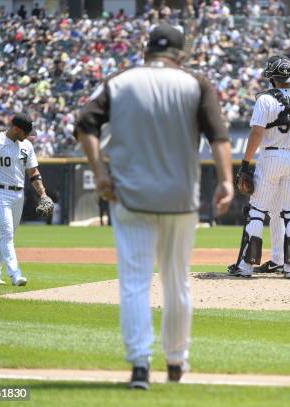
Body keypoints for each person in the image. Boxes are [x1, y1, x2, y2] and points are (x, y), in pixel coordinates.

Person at [75, 23, 233, 389]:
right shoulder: (196, 84)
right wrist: (225, 181)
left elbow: (85, 123)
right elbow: (219, 136)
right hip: (180, 199)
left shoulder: (120, 81)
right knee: (177, 283)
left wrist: (100, 172)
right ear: (180, 54)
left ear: (147, 51)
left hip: (129, 196)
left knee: (133, 282)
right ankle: (176, 361)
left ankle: (139, 366)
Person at [227, 55, 290, 280]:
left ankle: (246, 267)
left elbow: (257, 132)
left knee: (257, 210)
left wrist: (245, 162)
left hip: (271, 158)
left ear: (273, 79)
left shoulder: (265, 100)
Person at [0, 114, 51, 286]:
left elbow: (33, 173)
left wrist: (43, 194)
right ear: (16, 129)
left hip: (18, 195)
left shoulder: (27, 145)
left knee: (6, 235)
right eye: (26, 132)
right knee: (7, 233)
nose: (30, 135)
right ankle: (15, 275)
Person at [251, 54, 290, 275]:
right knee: (284, 210)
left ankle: (289, 259)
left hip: (281, 148)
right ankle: (283, 260)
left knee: (283, 209)